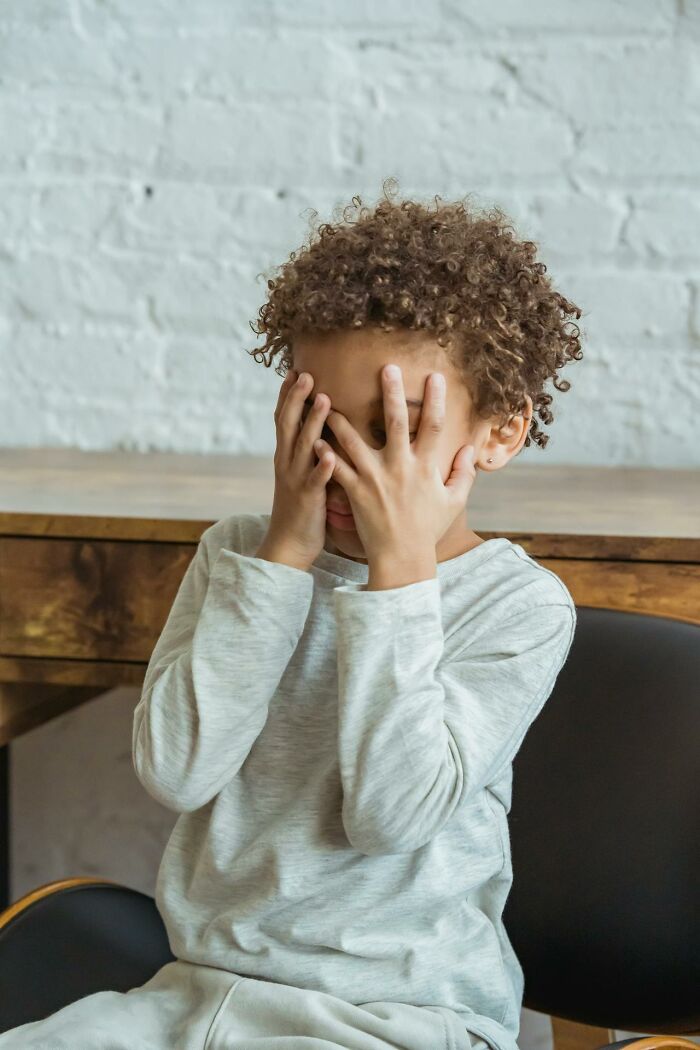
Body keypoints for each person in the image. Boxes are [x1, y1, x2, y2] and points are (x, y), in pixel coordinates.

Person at [0, 179, 584, 1049]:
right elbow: (179, 772)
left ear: (497, 432)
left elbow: (391, 815)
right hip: (197, 995)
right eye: (322, 425)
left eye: (388, 434)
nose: (347, 468)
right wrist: (279, 558)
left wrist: (398, 573)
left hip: (400, 1016)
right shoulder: (240, 558)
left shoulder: (519, 606)